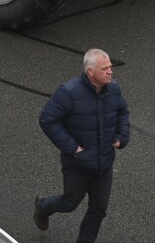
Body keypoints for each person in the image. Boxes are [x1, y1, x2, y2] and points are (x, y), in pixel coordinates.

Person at [34, 49, 130, 241]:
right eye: (105, 68)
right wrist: (73, 149)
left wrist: (122, 137)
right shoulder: (68, 92)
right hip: (78, 164)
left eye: (110, 67)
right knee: (69, 204)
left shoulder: (114, 89)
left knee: (99, 209)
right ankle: (42, 206)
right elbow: (47, 120)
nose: (110, 72)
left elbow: (123, 112)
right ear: (90, 72)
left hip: (105, 163)